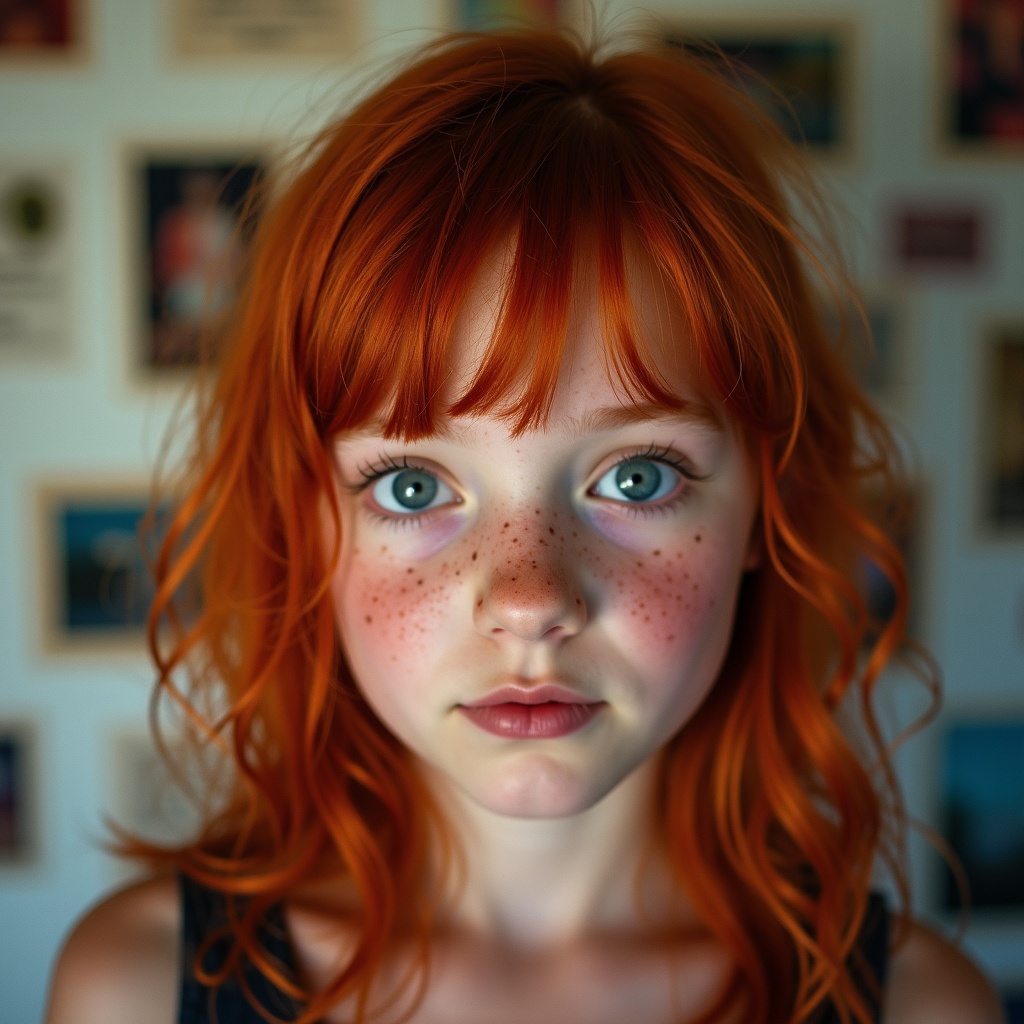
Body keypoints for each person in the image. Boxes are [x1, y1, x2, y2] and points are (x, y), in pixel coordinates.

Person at [45, 26, 1004, 1024]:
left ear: (767, 504)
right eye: (412, 486)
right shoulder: (133, 990)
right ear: (308, 523)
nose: (529, 601)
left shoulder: (922, 1009)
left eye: (637, 477)